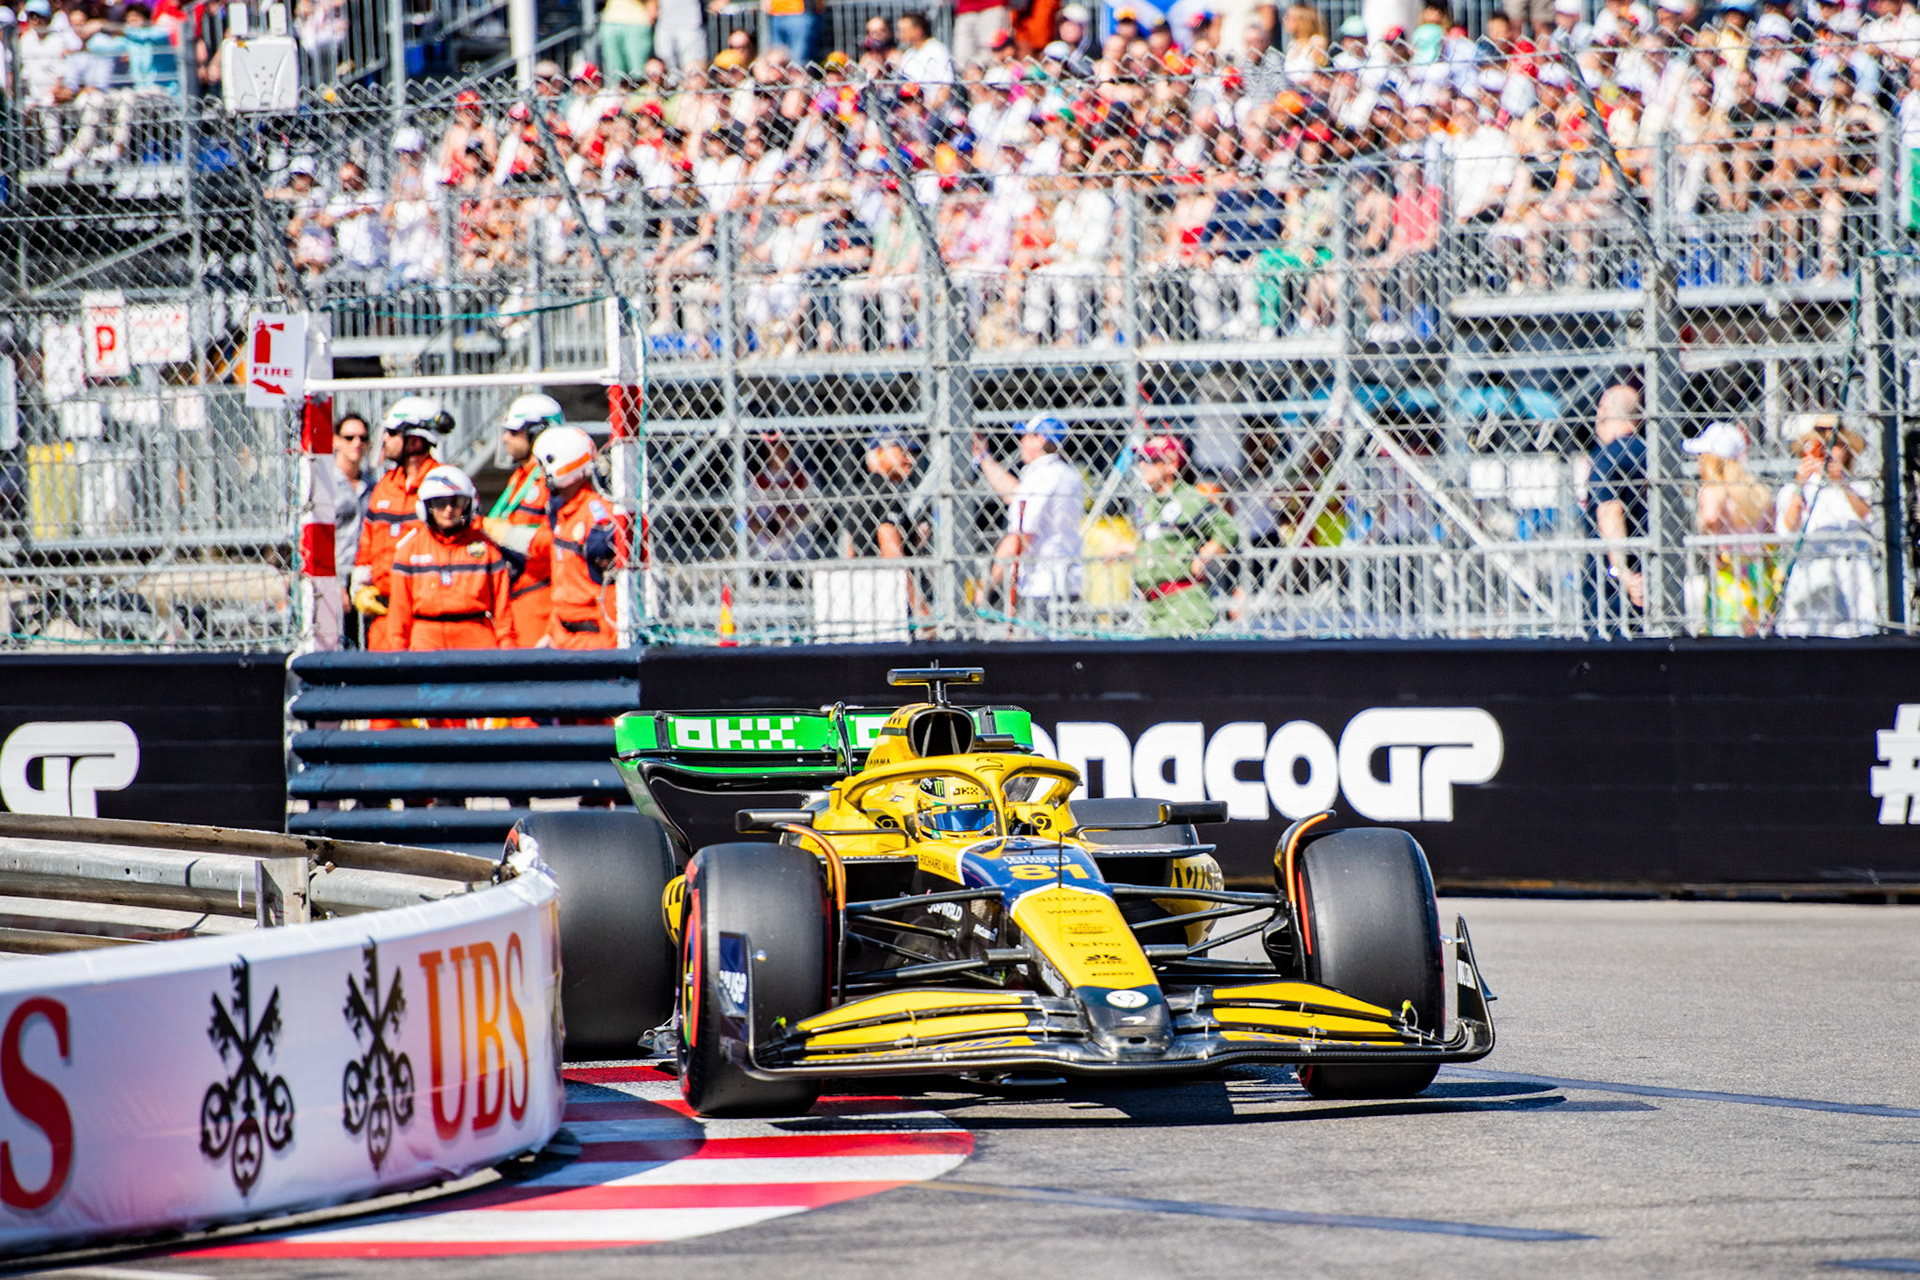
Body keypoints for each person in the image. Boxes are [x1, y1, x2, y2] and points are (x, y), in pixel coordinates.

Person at [350, 396, 450, 650]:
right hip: (383, 617)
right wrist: (360, 586)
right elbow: (367, 544)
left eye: (392, 433)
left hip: (425, 618)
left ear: (415, 440)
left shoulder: (445, 486)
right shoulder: (384, 487)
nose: (384, 439)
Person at [388, 466, 518, 651]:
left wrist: (508, 651)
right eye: (440, 503)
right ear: (426, 506)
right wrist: (398, 656)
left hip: (476, 639)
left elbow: (503, 612)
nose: (448, 510)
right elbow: (399, 614)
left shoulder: (487, 550)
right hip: (426, 639)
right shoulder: (409, 551)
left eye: (456, 503)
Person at [972, 414, 1085, 623]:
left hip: (1042, 585)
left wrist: (985, 587)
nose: (1021, 442)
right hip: (1065, 580)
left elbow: (1020, 536)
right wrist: (984, 458)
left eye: (1026, 436)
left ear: (1040, 439)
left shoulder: (1042, 477)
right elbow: (1016, 495)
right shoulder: (1067, 474)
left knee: (1038, 651)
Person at [1774, 414, 1877, 636]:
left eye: (1837, 444)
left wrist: (1842, 483)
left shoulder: (1859, 488)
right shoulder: (1792, 491)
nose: (1829, 451)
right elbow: (1786, 529)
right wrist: (1800, 485)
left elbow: (1868, 517)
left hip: (1851, 579)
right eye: (1820, 445)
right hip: (1809, 578)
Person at [1131, 434, 1237, 636]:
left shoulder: (1189, 498)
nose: (1144, 465)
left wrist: (1205, 554)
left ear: (1172, 465)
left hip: (1183, 605)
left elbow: (1228, 529)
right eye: (1142, 459)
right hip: (1153, 606)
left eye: (1152, 460)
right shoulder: (1149, 505)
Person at [484, 393, 565, 648]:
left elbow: (559, 542)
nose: (506, 438)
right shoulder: (520, 476)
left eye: (513, 432)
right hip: (511, 598)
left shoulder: (555, 483)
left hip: (538, 599)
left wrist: (507, 535)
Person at [531, 425, 621, 648]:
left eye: (545, 468)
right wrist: (551, 633)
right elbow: (562, 588)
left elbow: (610, 592)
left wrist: (608, 647)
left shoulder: (596, 518)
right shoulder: (563, 512)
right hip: (563, 635)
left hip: (591, 641)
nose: (541, 475)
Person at [1684, 421, 1774, 635]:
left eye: (1702, 455)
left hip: (1728, 575)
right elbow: (1770, 530)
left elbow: (1711, 516)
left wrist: (1708, 541)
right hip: (1757, 575)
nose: (1698, 461)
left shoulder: (1712, 490)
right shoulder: (1757, 490)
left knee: (1726, 647)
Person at [1583, 384, 1648, 636]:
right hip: (1651, 573)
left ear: (1604, 411)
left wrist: (1622, 573)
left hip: (1612, 592)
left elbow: (1609, 512)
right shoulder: (1648, 452)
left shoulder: (1607, 457)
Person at [331, 413, 376, 648]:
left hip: (364, 578)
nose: (357, 443)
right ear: (335, 441)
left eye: (362, 437)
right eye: (349, 437)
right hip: (332, 576)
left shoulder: (373, 485)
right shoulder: (323, 484)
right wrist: (337, 584)